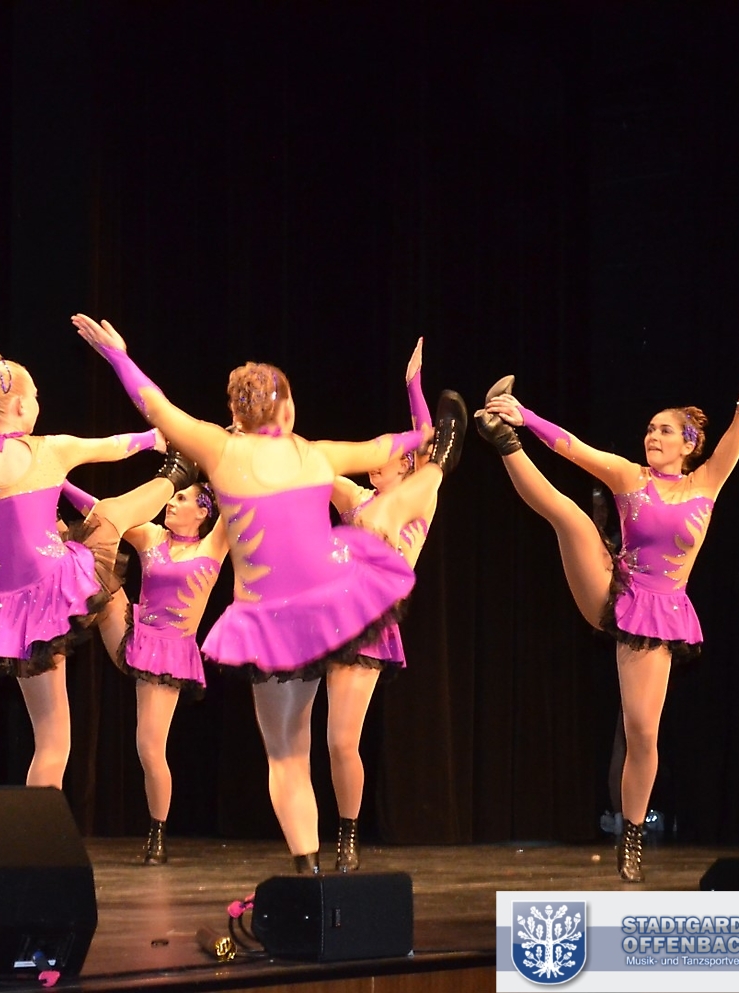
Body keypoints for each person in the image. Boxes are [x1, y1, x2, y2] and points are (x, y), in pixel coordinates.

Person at [72, 313, 464, 872]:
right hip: (327, 604)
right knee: (393, 507)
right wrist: (423, 436)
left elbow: (155, 407)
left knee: (286, 756)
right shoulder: (315, 453)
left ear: (236, 416)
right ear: (288, 410)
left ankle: (307, 867)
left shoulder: (220, 449)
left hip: (270, 620)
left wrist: (118, 356)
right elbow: (385, 445)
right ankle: (444, 464)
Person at [476, 309, 739, 882]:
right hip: (616, 588)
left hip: (662, 612)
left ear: (688, 443)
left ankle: (631, 834)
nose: (651, 436)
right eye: (649, 429)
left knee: (642, 731)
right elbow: (574, 448)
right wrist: (524, 416)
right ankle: (503, 440)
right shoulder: (629, 477)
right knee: (570, 516)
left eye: (664, 431)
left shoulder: (708, 483)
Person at [0, 252, 173, 789]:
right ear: (16, 406)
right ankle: (173, 484)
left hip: (14, 606)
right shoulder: (50, 448)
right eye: (34, 395)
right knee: (107, 519)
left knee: (52, 741)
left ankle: (38, 835)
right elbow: (116, 445)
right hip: (58, 586)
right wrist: (159, 437)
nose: (39, 401)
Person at [326, 338, 463, 871]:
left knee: (343, 740)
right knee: (316, 740)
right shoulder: (356, 499)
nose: (372, 463)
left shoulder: (419, 500)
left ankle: (348, 832)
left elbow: (429, 447)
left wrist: (414, 387)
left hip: (369, 621)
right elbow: (315, 469)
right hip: (327, 615)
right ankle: (312, 831)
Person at [61, 477, 228, 864]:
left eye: (181, 498)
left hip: (168, 654)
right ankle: (50, 621)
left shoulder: (213, 546)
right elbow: (104, 511)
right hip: (132, 634)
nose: (171, 503)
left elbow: (237, 500)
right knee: (94, 566)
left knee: (149, 749)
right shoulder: (152, 536)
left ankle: (157, 832)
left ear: (203, 512)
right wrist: (62, 484)